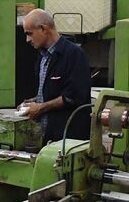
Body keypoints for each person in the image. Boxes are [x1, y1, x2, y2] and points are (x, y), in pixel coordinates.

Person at [17, 8, 93, 143]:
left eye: (30, 34)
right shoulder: (42, 57)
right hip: (47, 135)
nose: (27, 40)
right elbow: (51, 92)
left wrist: (40, 108)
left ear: (44, 29)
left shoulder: (74, 55)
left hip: (67, 138)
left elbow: (73, 97)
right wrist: (33, 102)